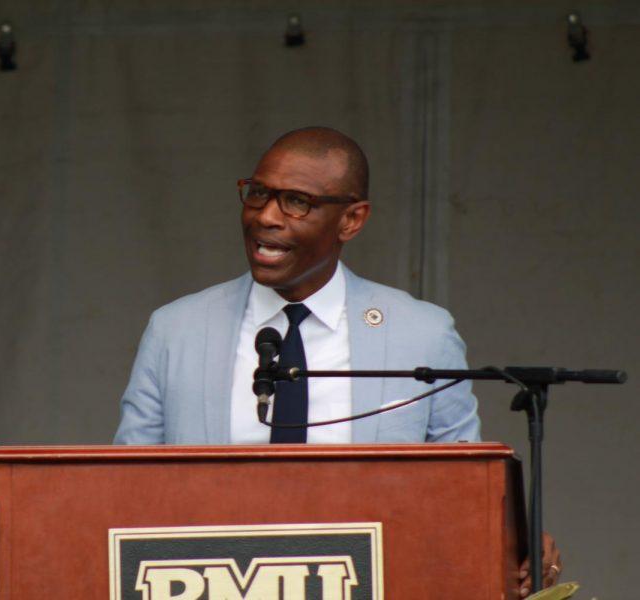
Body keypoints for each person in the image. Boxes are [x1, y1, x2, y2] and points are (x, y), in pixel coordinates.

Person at [113, 126, 560, 594]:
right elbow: (128, 490)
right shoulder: (176, 329)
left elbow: (466, 491)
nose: (266, 216)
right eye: (259, 193)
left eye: (296, 202)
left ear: (352, 219)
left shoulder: (422, 333)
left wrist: (518, 543)